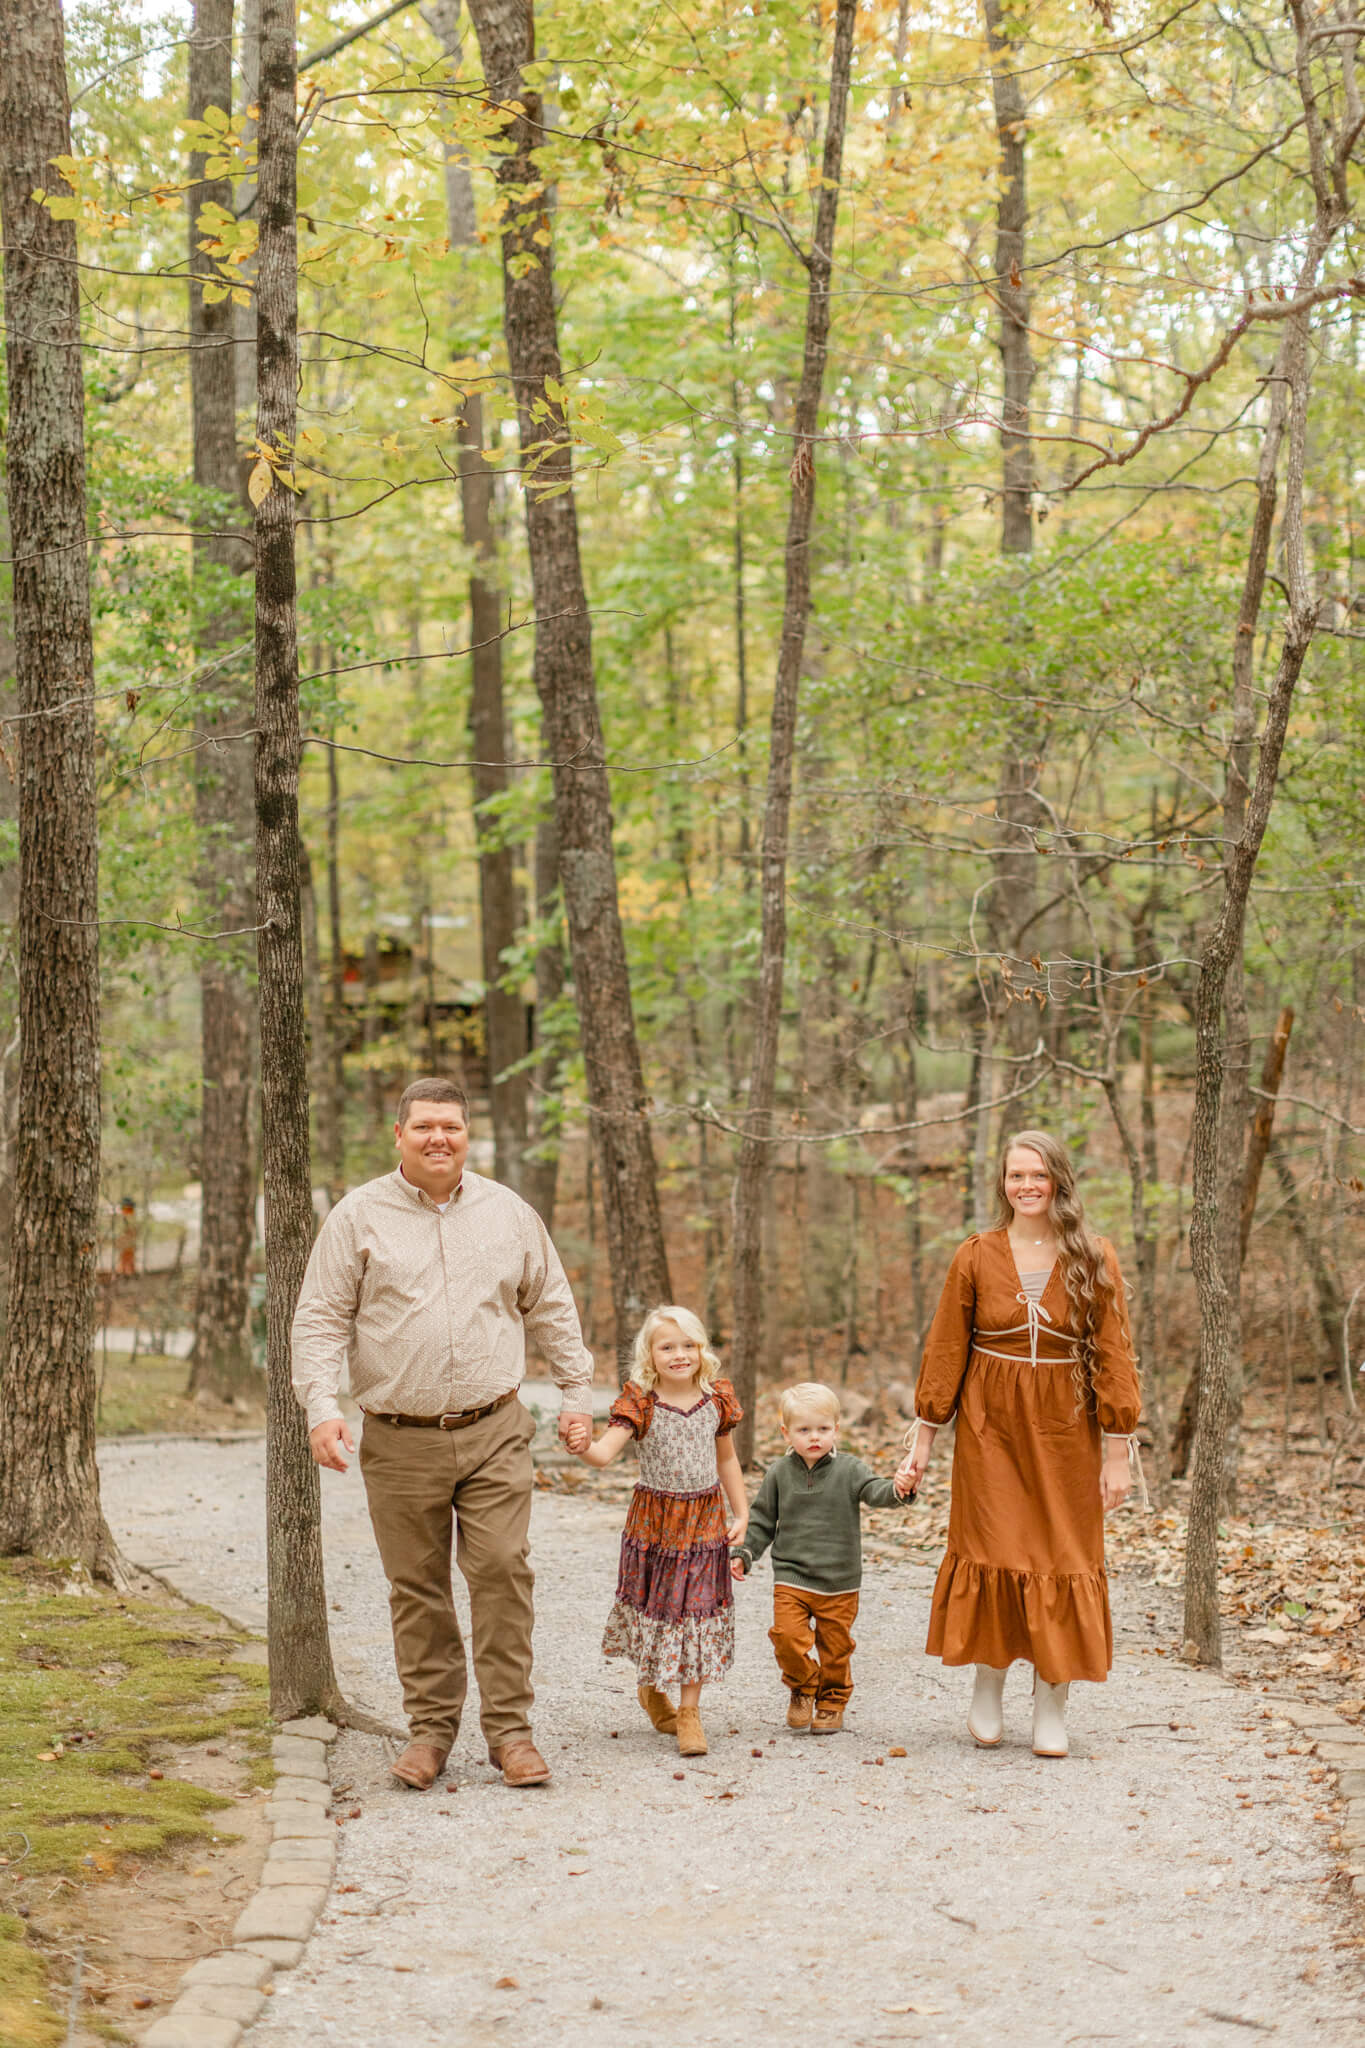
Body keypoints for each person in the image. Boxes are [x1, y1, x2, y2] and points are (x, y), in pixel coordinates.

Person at [291, 1076, 595, 1792]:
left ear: (467, 1137)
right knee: (416, 1588)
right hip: (398, 1438)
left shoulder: (508, 1213)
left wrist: (578, 1393)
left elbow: (550, 1303)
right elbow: (319, 1320)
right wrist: (321, 1408)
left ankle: (510, 1733)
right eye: (424, 1126)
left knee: (500, 1569)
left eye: (451, 1127)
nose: (438, 1138)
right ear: (398, 1135)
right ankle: (429, 1733)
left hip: (495, 1428)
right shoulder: (357, 1216)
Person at [898, 1129, 1142, 1760]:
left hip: (1067, 1426)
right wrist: (922, 1438)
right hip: (990, 1425)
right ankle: (988, 1679)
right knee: (991, 1545)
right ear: (1002, 1184)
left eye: (1037, 1174)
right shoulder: (976, 1254)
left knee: (1063, 1552)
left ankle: (1052, 1703)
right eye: (1015, 1176)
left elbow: (1113, 1352)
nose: (1026, 1185)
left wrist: (1119, 1450)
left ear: (1058, 1178)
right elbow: (946, 1349)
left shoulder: (1093, 1255)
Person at [572, 1305, 746, 1759]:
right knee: (658, 1610)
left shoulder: (716, 1399)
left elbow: (726, 1459)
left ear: (701, 1349)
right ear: (650, 1355)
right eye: (667, 1346)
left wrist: (741, 1513)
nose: (679, 1354)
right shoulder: (641, 1403)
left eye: (688, 1344)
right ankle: (651, 1688)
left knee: (698, 1612)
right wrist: (583, 1446)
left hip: (705, 1521)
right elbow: (605, 1454)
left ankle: (690, 1711)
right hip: (656, 1525)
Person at [731, 1382, 916, 1735]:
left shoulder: (849, 1469)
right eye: (804, 1430)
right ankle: (803, 1685)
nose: (814, 1437)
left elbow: (876, 1492)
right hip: (792, 1576)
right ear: (786, 1432)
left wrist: (899, 1488)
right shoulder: (779, 1474)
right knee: (786, 1636)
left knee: (835, 1648)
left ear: (836, 1429)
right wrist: (745, 1553)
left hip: (839, 1581)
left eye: (823, 1429)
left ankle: (831, 1700)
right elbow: (761, 1520)